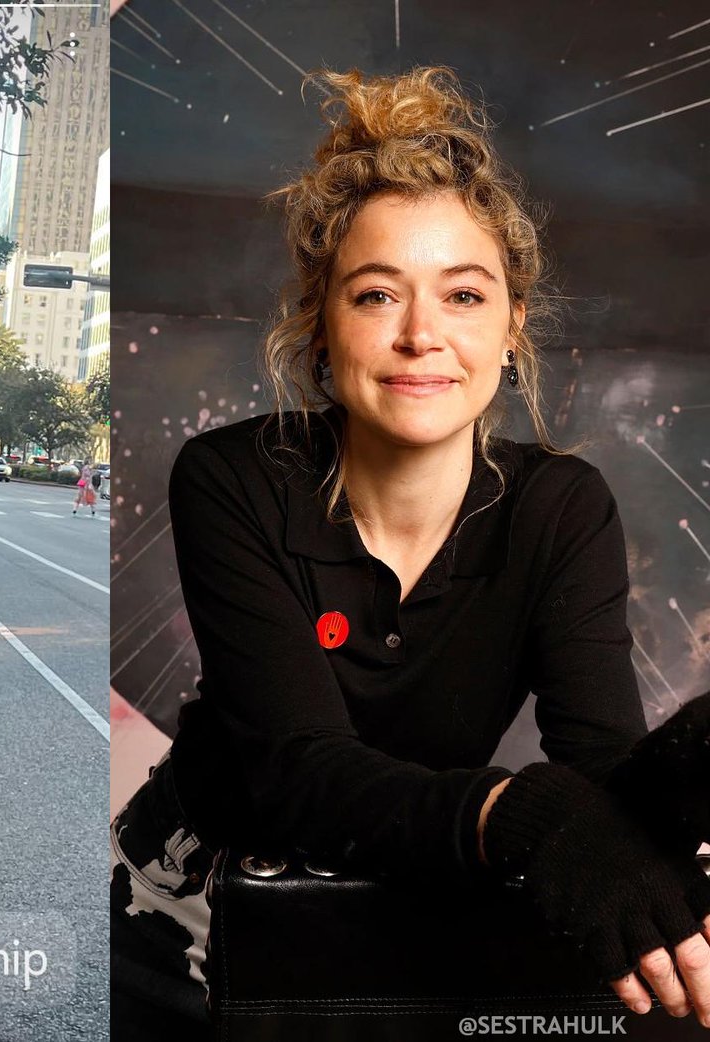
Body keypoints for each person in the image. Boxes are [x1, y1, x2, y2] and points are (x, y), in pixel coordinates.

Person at [110, 66, 710, 1038]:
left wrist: (690, 766)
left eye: (465, 296)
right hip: (184, 924)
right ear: (323, 326)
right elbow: (301, 772)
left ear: (512, 326)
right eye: (378, 294)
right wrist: (521, 816)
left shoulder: (562, 507)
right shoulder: (231, 479)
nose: (422, 334)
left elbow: (596, 767)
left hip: (405, 907)